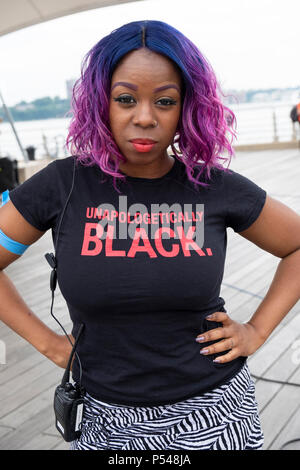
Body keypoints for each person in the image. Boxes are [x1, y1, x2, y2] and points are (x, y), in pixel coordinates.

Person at [1, 20, 300, 451]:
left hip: (215, 416)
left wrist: (256, 331)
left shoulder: (212, 186)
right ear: (101, 104)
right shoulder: (62, 185)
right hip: (105, 421)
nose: (144, 117)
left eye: (165, 101)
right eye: (125, 99)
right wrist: (48, 344)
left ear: (186, 107)